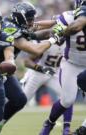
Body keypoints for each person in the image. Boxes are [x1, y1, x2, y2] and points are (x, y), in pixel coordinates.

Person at [0, 2, 60, 135]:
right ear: (21, 18)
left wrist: (58, 21)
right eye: (29, 19)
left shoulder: (14, 24)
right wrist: (54, 38)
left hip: (2, 71)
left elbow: (37, 26)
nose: (32, 22)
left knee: (19, 100)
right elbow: (35, 49)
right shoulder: (9, 30)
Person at [39, 0, 86, 135]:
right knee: (67, 100)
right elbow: (52, 32)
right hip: (71, 64)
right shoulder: (68, 17)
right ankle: (49, 122)